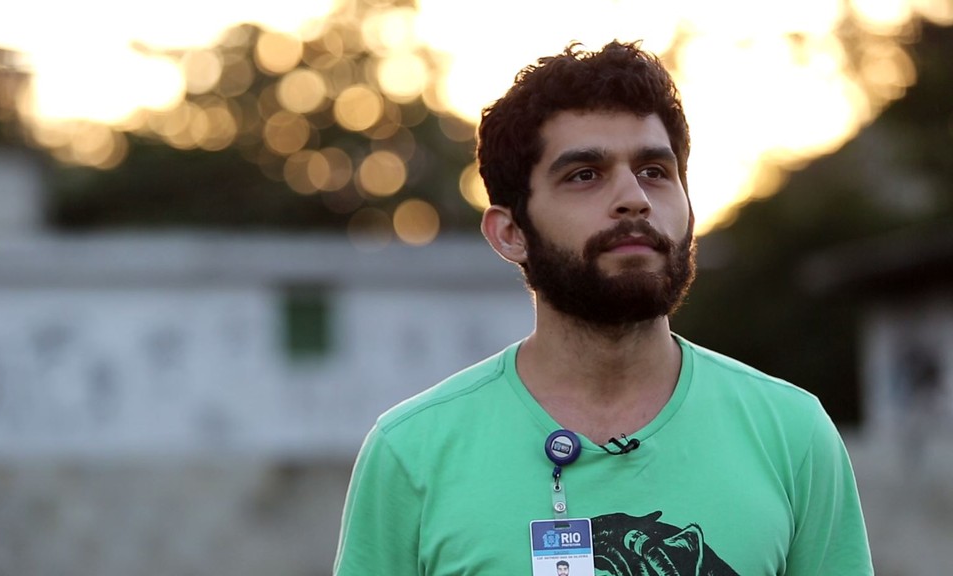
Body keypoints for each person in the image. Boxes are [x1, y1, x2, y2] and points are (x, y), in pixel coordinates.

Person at [334, 39, 873, 575]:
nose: (634, 198)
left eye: (654, 171)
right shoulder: (412, 453)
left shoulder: (792, 435)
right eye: (584, 175)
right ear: (511, 233)